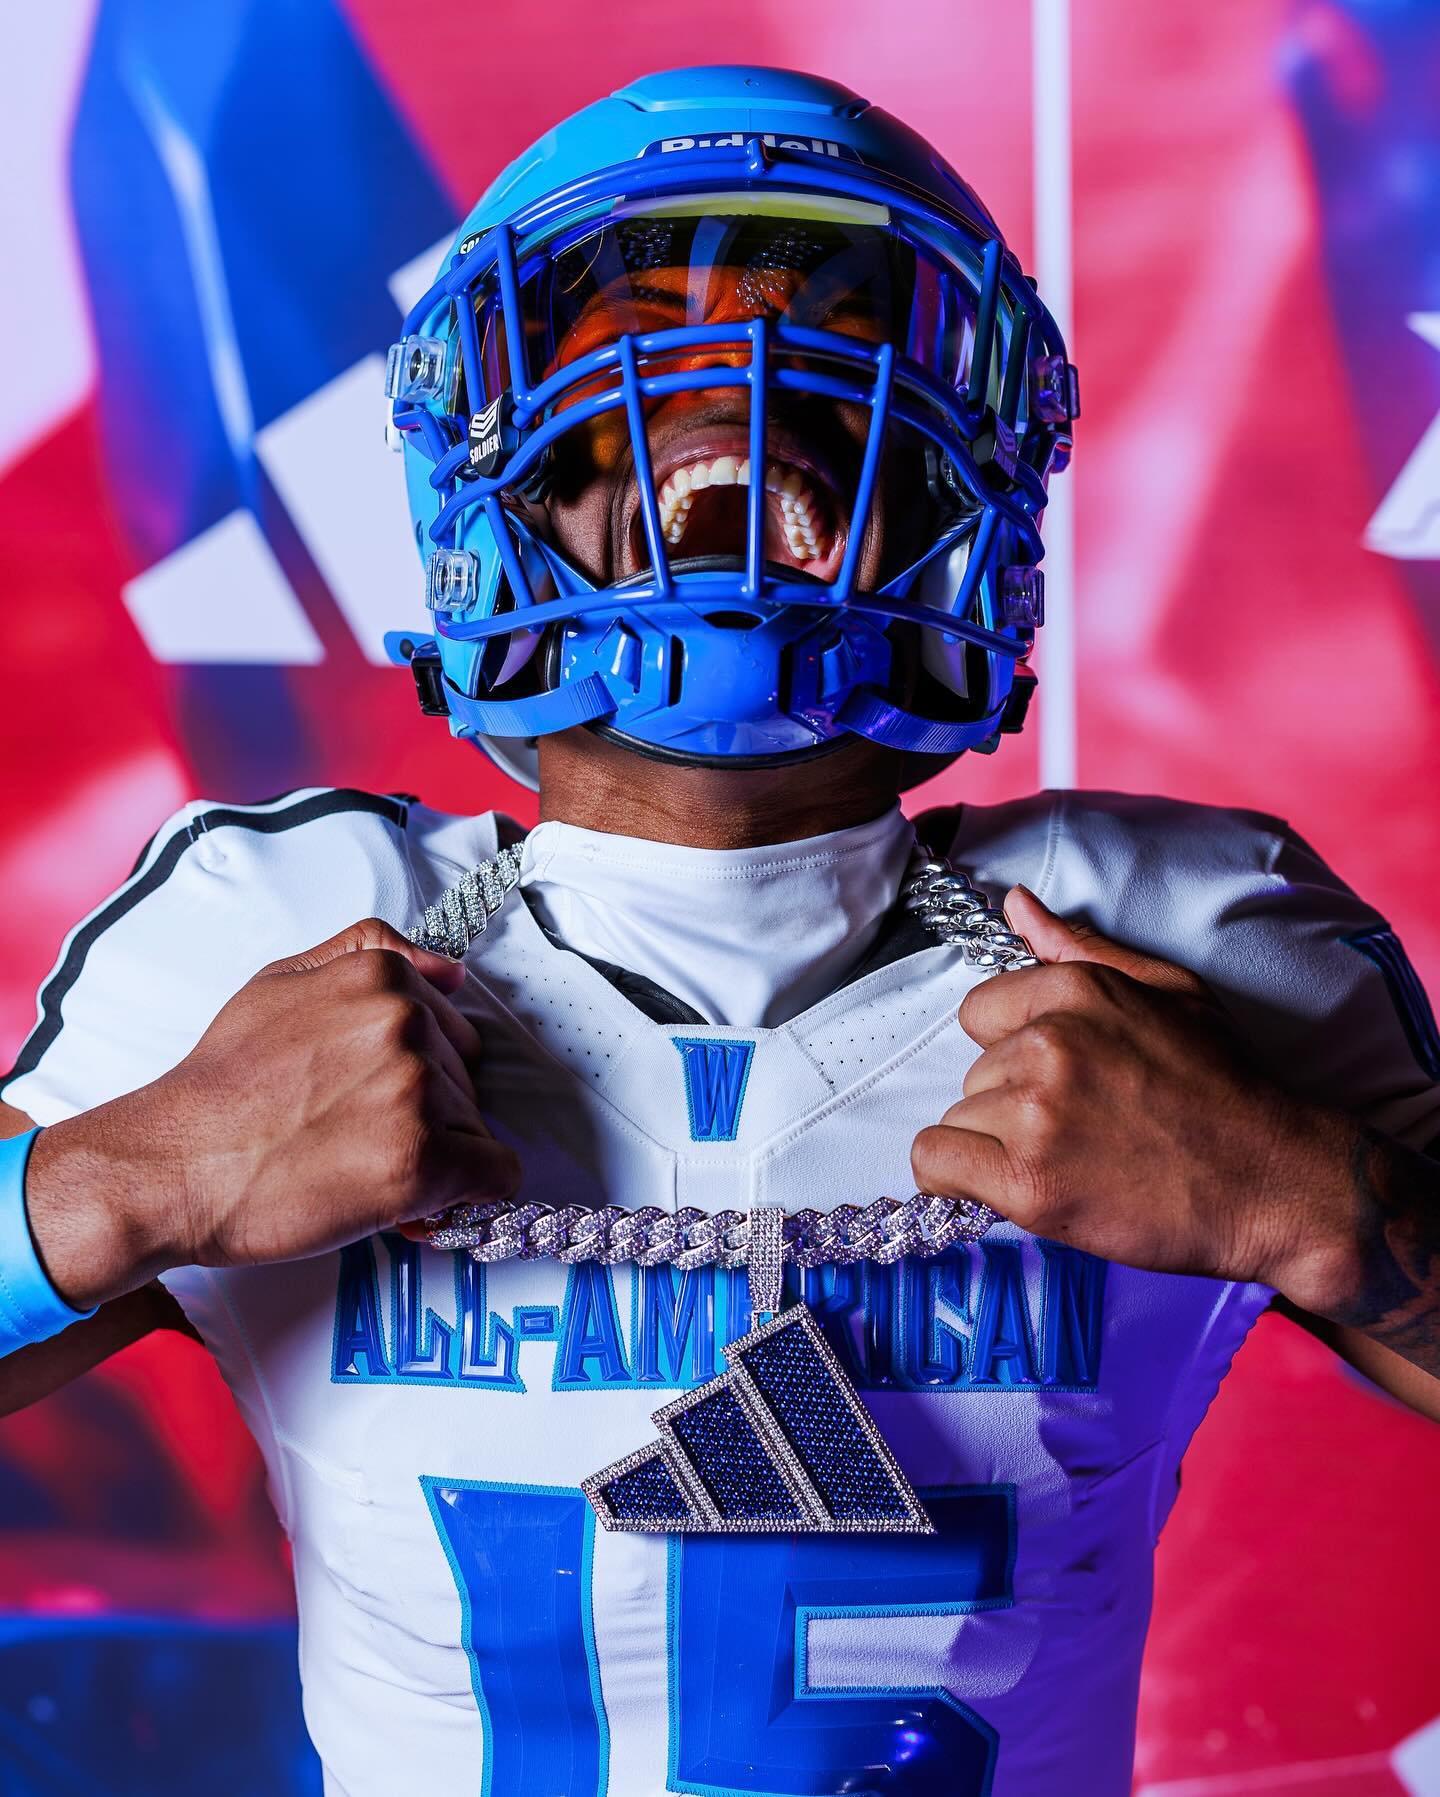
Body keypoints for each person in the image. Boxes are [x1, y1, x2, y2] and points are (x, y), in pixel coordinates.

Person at [2, 63, 1438, 1797]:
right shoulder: (285, 930)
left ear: (958, 486)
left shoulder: (1178, 936)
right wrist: (136, 1176)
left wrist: (1315, 1202)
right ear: (489, 484)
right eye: (635, 362)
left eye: (826, 377)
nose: (737, 415)